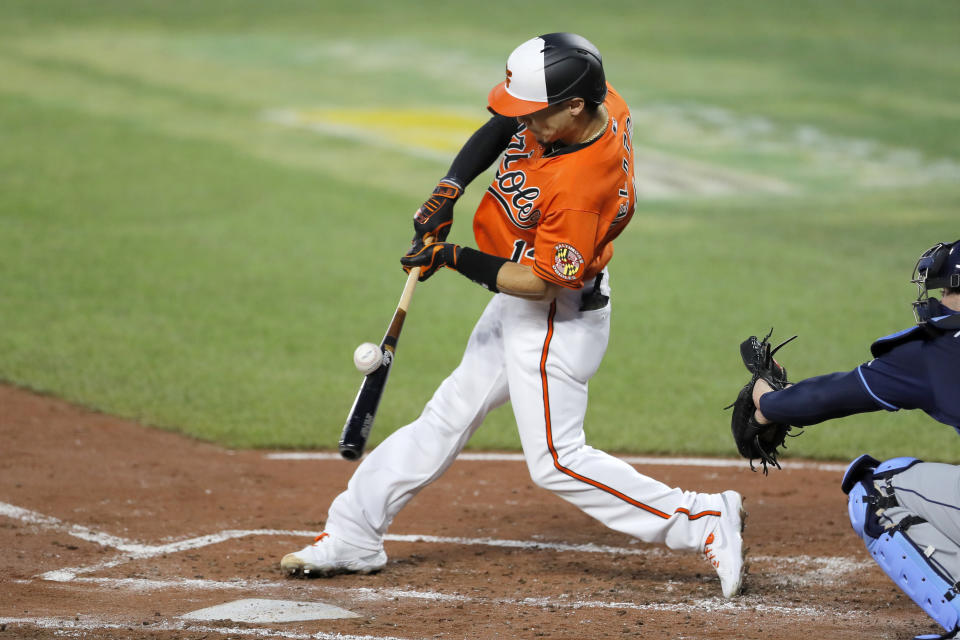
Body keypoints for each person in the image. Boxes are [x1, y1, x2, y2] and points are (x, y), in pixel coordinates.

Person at [281, 32, 745, 598]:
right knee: (446, 415)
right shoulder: (594, 101)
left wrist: (452, 257)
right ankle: (355, 532)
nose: (525, 123)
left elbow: (542, 280)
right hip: (525, 299)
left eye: (535, 114)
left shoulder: (579, 185)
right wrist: (449, 189)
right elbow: (505, 123)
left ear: (574, 107)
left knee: (555, 459)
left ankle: (702, 518)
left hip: (551, 314)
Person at [751, 240, 960, 639]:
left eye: (948, 290)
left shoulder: (933, 353)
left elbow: (828, 397)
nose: (942, 301)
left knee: (880, 490)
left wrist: (767, 402)